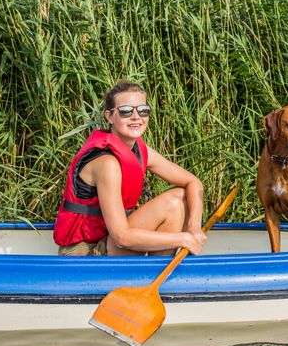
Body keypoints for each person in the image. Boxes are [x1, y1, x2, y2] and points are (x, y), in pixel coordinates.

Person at [53, 80, 206, 256]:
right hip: (85, 251)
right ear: (109, 116)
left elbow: (193, 182)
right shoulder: (106, 163)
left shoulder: (139, 151)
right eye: (126, 111)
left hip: (110, 239)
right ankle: (155, 270)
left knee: (179, 196)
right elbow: (122, 237)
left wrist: (193, 227)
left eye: (143, 110)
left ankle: (159, 270)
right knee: (172, 203)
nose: (136, 117)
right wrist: (183, 239)